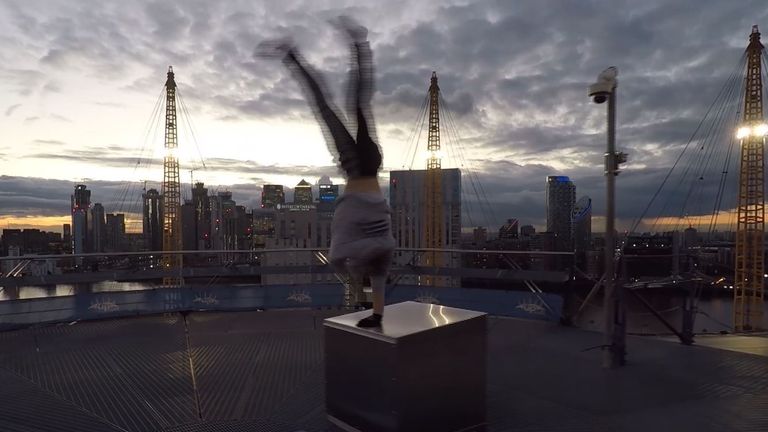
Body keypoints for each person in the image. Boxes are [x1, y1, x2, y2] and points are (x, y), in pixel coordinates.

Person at [257, 17, 395, 328]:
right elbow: (370, 271)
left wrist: (370, 306)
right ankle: (352, 46)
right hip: (364, 182)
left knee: (345, 106)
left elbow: (347, 263)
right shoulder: (377, 249)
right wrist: (372, 308)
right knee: (349, 106)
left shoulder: (375, 245)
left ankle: (336, 49)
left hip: (365, 181)